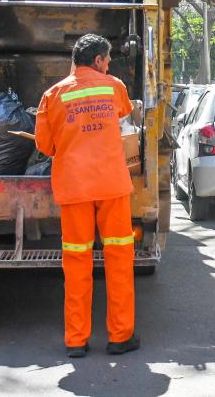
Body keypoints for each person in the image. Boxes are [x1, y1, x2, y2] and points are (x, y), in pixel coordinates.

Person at [35, 34, 139, 358]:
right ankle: (120, 336)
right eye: (107, 60)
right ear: (98, 60)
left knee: (77, 263)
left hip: (75, 188)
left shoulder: (53, 94)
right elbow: (125, 116)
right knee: (119, 261)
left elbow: (43, 145)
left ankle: (76, 340)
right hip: (111, 186)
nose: (109, 65)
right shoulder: (114, 87)